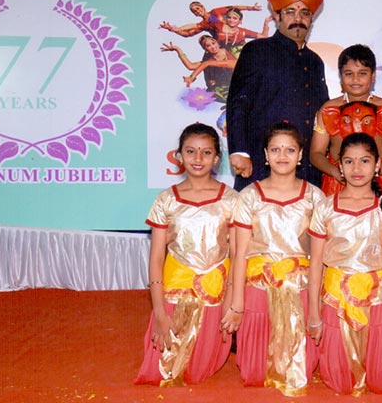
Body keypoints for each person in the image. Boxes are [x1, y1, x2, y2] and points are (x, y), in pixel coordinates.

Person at [134, 123, 239, 387]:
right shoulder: (166, 200)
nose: (198, 158)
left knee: (196, 372)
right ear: (179, 156)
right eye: (191, 151)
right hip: (174, 290)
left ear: (217, 158)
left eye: (206, 152)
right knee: (162, 370)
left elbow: (238, 255)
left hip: (215, 293)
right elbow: (156, 258)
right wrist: (159, 312)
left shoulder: (232, 199)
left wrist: (230, 301)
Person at [224, 123, 324, 396]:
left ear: (300, 155)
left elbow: (320, 257)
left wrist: (317, 308)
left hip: (300, 289)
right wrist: (237, 304)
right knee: (254, 374)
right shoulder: (249, 196)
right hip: (258, 288)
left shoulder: (315, 197)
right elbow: (239, 253)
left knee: (299, 371)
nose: (282, 155)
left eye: (290, 150)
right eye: (276, 149)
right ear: (266, 155)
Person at [307, 133, 382, 396]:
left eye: (364, 161)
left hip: (379, 301)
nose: (357, 168)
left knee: (381, 383)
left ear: (377, 165)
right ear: (339, 166)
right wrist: (314, 313)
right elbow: (316, 263)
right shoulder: (325, 209)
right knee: (340, 384)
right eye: (349, 161)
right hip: (336, 302)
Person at [226, 0, 329, 191]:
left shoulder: (314, 61)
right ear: (276, 15)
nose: (298, 19)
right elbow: (238, 103)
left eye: (305, 13)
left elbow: (323, 114)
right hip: (260, 164)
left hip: (306, 170)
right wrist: (239, 151)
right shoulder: (256, 50)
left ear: (311, 18)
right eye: (290, 12)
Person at [310, 44, 382, 195]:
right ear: (340, 76)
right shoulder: (329, 109)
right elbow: (316, 153)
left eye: (362, 73)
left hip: (377, 183)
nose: (355, 79)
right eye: (349, 73)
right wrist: (335, 172)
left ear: (373, 76)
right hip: (338, 183)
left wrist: (374, 172)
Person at [160, 1, 269, 48]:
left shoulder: (216, 12)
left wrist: (250, 8)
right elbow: (188, 33)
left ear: (202, 7)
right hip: (223, 45)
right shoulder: (203, 24)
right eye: (194, 11)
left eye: (197, 8)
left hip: (236, 36)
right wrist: (175, 29)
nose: (197, 11)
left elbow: (232, 7)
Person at [161, 36, 236, 98]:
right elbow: (190, 66)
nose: (213, 47)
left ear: (217, 43)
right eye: (208, 46)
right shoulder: (210, 60)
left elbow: (206, 64)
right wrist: (177, 49)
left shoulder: (226, 51)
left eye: (213, 43)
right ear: (205, 49)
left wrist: (191, 77)